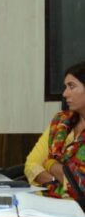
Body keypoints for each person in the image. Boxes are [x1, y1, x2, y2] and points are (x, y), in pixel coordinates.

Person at [25, 61, 85, 193]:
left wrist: (49, 163)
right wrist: (55, 180)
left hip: (76, 206)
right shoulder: (60, 121)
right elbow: (31, 164)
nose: (64, 94)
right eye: (65, 87)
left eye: (71, 86)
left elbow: (80, 183)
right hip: (43, 200)